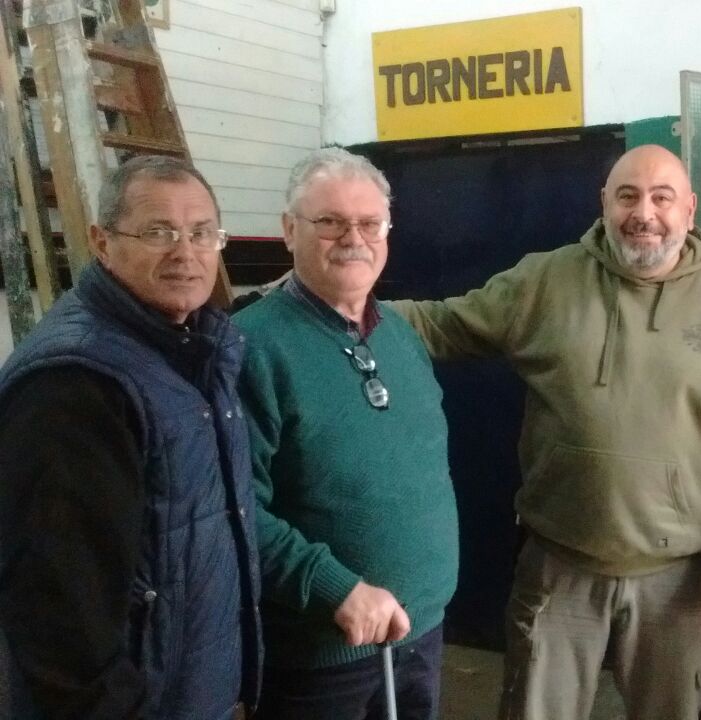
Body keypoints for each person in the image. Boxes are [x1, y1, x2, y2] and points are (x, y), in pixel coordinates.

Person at [390, 144, 701, 720]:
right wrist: (346, 309)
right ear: (604, 202)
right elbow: (443, 325)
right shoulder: (545, 280)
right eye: (627, 195)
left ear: (690, 209)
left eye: (661, 197)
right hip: (558, 570)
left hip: (677, 580)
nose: (643, 213)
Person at [0, 155, 261, 718]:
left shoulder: (192, 350)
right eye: (158, 232)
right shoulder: (75, 384)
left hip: (192, 695)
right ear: (102, 242)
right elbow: (60, 619)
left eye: (201, 233)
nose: (185, 252)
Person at [235, 147, 458, 719]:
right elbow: (233, 507)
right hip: (320, 656)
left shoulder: (400, 336)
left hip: (421, 633)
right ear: (289, 230)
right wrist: (337, 589)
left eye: (369, 223)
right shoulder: (249, 347)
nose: (353, 238)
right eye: (330, 222)